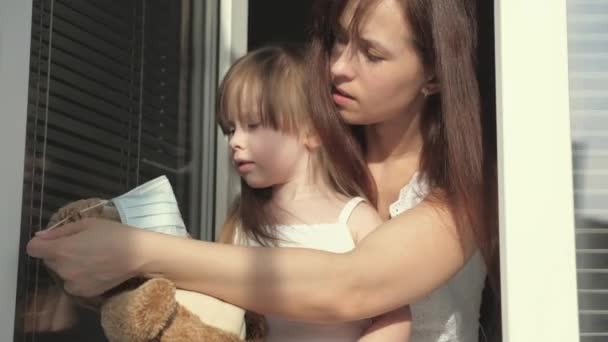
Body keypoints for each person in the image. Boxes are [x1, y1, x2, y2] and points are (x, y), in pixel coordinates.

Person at [27, 0, 499, 341]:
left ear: (434, 75)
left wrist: (136, 251)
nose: (337, 66)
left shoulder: (467, 187)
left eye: (371, 54)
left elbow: (353, 287)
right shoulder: (296, 166)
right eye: (337, 39)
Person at [217, 44, 411, 341]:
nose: (235, 141)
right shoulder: (240, 223)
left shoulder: (354, 218)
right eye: (230, 129)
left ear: (312, 131)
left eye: (253, 125)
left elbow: (395, 315)